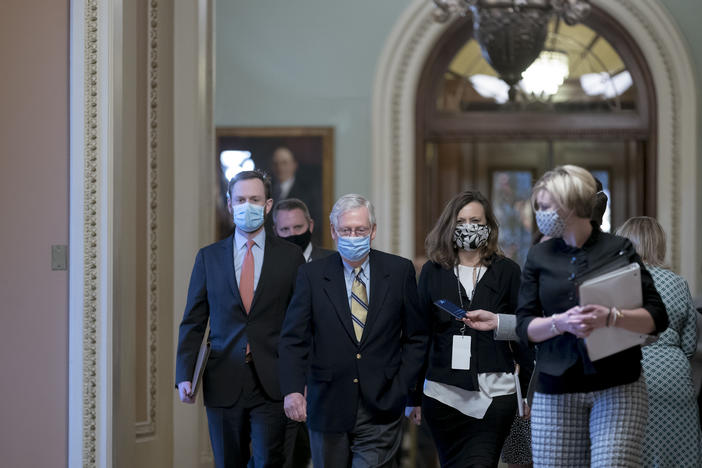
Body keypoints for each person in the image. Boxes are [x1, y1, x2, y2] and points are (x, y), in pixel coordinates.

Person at [515, 165, 667, 467]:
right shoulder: (538, 256)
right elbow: (524, 326)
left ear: (570, 205)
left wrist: (612, 316)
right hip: (555, 386)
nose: (540, 214)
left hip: (618, 384)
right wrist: (561, 323)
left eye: (546, 206)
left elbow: (656, 316)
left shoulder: (619, 249)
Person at [278, 194, 429, 468]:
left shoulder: (399, 271)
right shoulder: (311, 276)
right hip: (326, 403)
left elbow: (416, 337)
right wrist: (292, 390)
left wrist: (403, 386)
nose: (353, 236)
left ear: (373, 231)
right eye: (346, 230)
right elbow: (293, 339)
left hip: (382, 404)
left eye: (360, 230)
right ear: (334, 232)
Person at [175, 170, 305, 468]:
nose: (248, 205)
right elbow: (194, 320)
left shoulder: (290, 257)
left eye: (255, 199)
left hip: (272, 381)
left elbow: (300, 325)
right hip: (222, 378)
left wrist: (300, 380)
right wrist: (185, 372)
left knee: (268, 462)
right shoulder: (209, 257)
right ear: (231, 205)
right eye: (241, 199)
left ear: (268, 205)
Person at [406, 190, 533, 468]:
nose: (467, 227)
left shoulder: (508, 272)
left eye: (475, 220)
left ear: (488, 226)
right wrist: (412, 397)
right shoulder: (432, 271)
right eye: (461, 221)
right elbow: (419, 336)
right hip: (442, 396)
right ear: (450, 226)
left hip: (495, 394)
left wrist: (525, 393)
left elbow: (523, 332)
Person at [616, 216, 702, 467]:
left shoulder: (617, 282)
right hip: (675, 378)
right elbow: (688, 345)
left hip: (632, 375)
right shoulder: (678, 283)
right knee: (678, 454)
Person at [271, 146, 322, 244]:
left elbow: (316, 222)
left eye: (284, 163)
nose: (280, 167)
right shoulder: (266, 191)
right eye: (276, 163)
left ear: (294, 165)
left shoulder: (308, 191)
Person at [273, 197, 334, 262]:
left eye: (298, 227)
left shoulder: (334, 260)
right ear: (275, 231)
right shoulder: (267, 264)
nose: (292, 234)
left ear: (310, 226)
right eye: (285, 229)